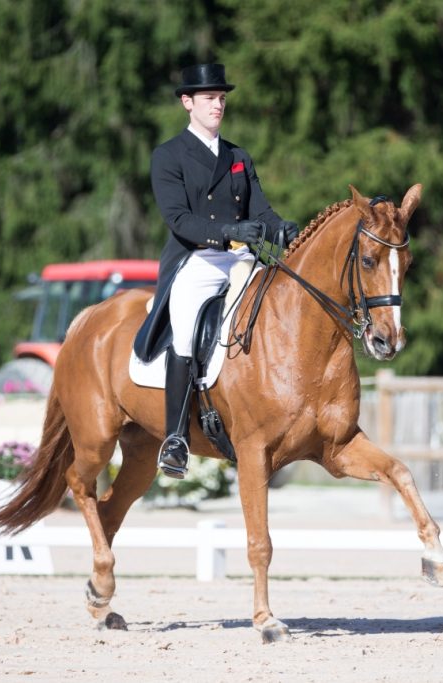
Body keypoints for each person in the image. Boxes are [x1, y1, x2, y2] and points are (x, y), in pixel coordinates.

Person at [133, 63, 298, 479]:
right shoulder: (168, 156)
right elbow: (179, 220)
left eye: (222, 98)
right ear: (188, 103)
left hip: (241, 257)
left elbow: (260, 209)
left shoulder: (238, 155)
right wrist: (227, 231)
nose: (218, 105)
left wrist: (285, 229)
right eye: (209, 98)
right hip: (197, 259)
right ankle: (175, 438)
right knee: (186, 328)